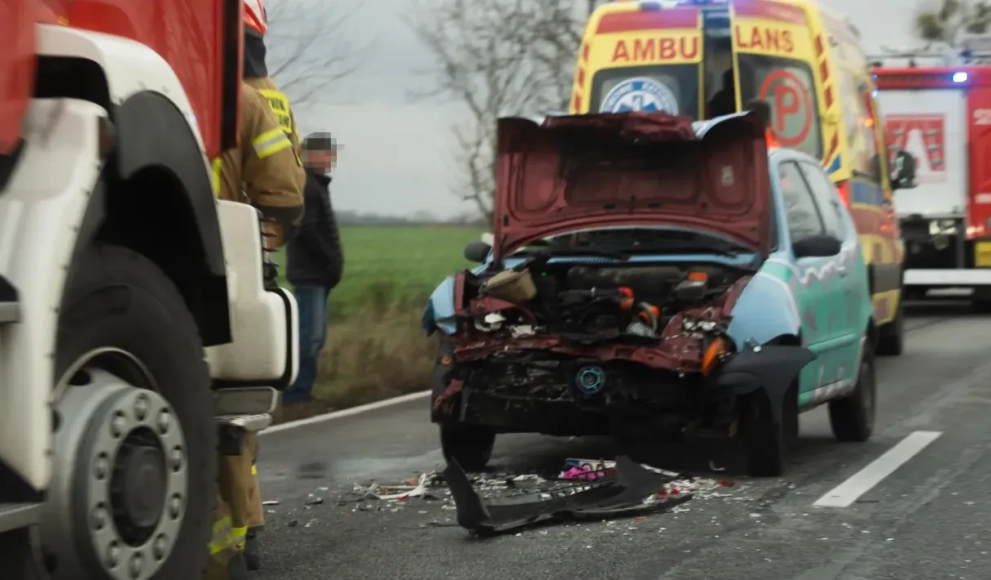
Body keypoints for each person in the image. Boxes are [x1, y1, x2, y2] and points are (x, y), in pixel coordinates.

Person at [207, 2, 304, 578]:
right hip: (236, 265)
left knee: (223, 417)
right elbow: (285, 190)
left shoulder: (238, 98)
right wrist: (260, 249)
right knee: (232, 415)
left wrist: (251, 247)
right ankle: (245, 531)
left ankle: (231, 542)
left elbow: (281, 186)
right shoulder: (264, 97)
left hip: (219, 266)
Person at [283, 133, 345, 404]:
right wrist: (329, 260)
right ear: (313, 155)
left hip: (317, 276)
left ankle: (302, 391)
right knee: (309, 337)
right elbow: (307, 231)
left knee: (314, 337)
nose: (332, 158)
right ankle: (296, 394)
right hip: (310, 275)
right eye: (328, 153)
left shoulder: (316, 185)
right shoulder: (308, 185)